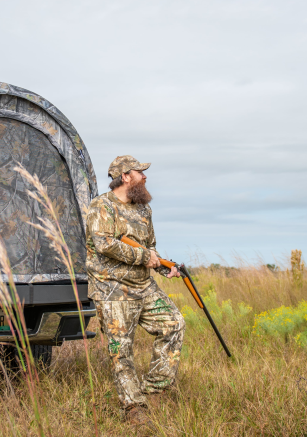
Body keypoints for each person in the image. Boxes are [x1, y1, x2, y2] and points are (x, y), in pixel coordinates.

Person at [85, 155, 185, 426]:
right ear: (125, 176)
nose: (145, 176)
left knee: (174, 324)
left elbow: (150, 248)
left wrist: (165, 267)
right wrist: (143, 258)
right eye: (140, 172)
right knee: (121, 349)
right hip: (112, 288)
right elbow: (104, 244)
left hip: (143, 285)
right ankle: (134, 409)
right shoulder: (101, 206)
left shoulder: (143, 210)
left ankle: (156, 391)